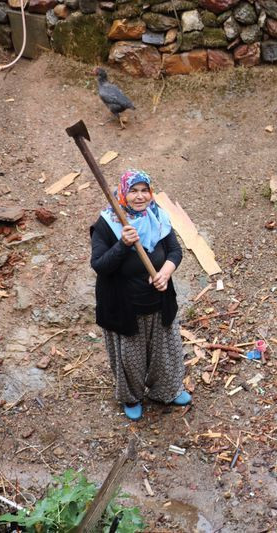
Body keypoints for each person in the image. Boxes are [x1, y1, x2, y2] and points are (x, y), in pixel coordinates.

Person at [89, 169, 190, 421]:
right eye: (133, 191)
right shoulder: (108, 223)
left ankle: (166, 390)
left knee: (165, 350)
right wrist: (122, 244)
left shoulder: (157, 216)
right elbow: (100, 265)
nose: (140, 196)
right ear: (123, 193)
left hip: (158, 299)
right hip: (125, 305)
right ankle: (132, 397)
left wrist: (165, 273)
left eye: (144, 190)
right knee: (130, 358)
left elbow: (175, 252)